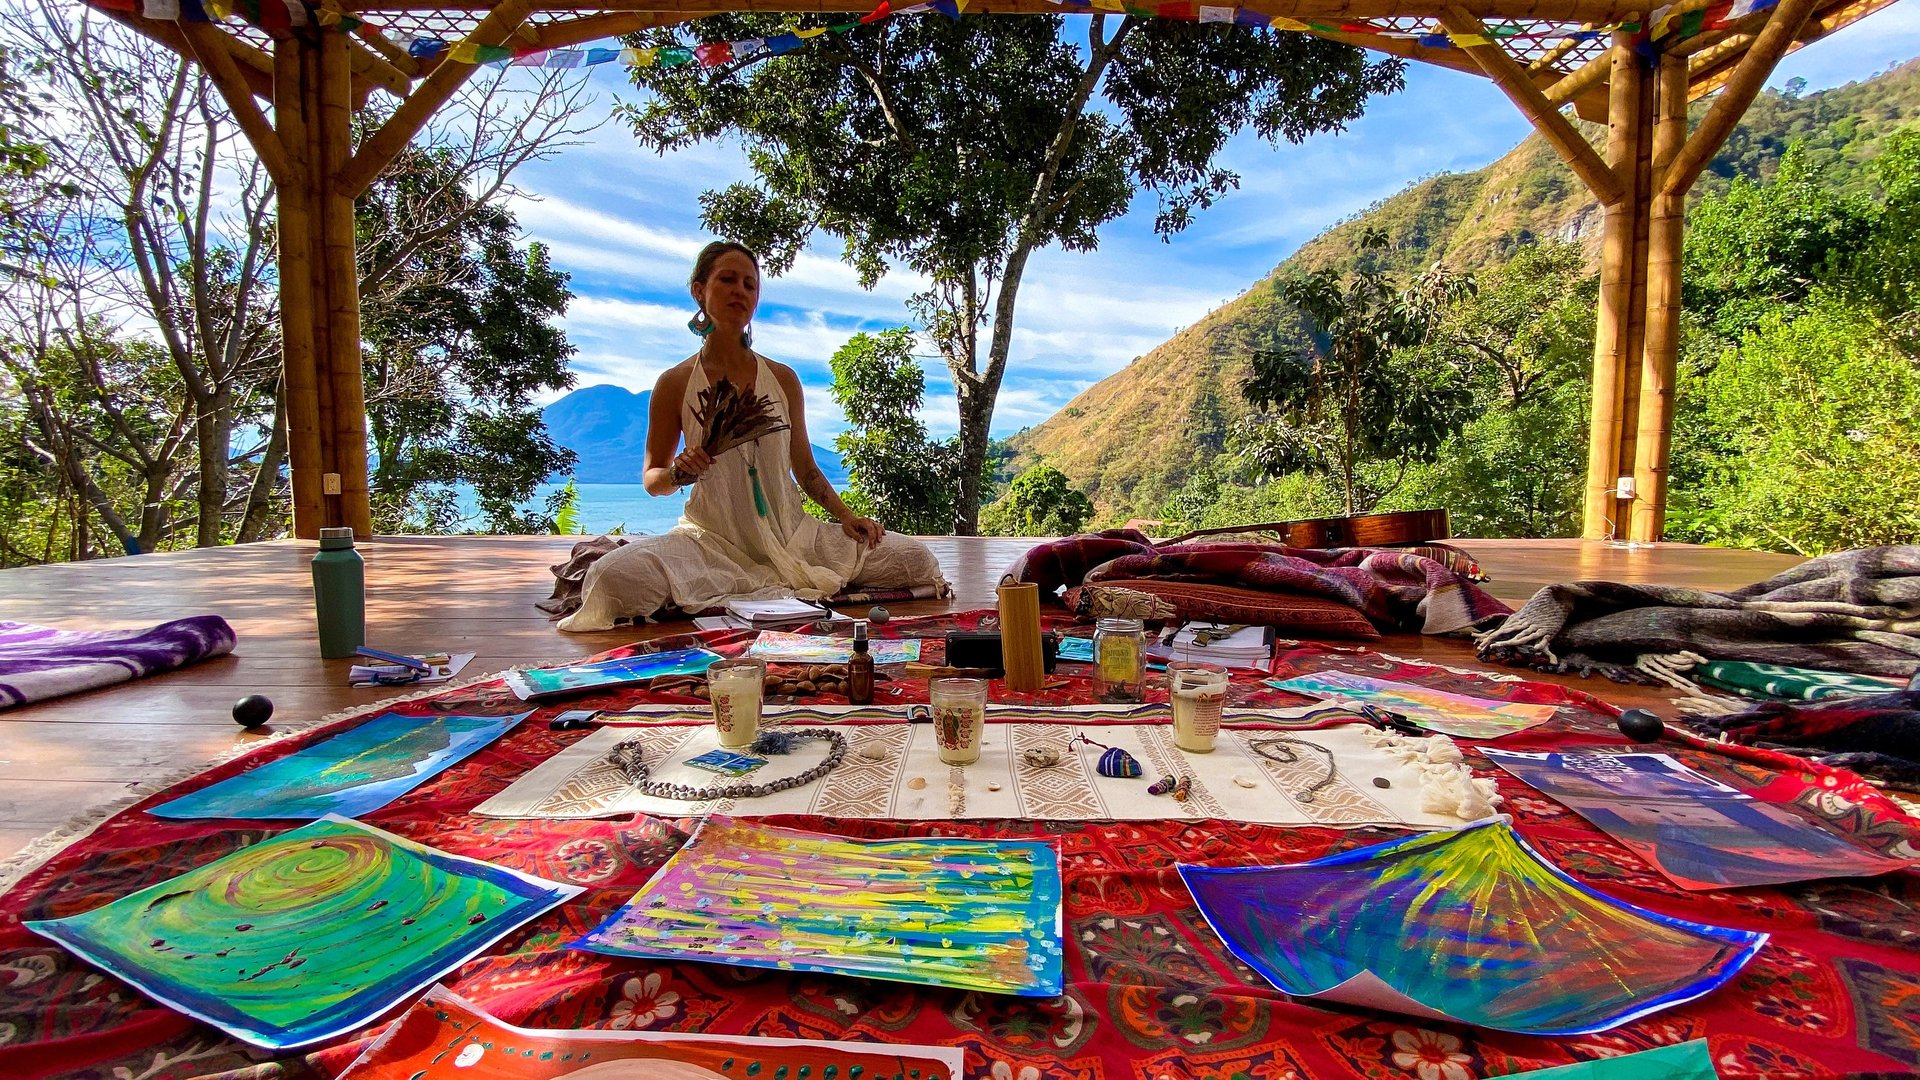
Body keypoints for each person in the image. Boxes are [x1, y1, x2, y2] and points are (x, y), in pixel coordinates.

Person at [559, 241, 947, 631]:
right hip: (711, 544)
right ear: (699, 290)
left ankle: (770, 583)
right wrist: (679, 473)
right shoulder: (675, 383)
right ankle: (752, 586)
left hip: (795, 536)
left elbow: (806, 469)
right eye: (727, 280)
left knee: (915, 559)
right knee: (611, 579)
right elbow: (652, 479)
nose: (739, 291)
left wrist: (847, 517)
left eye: (750, 284)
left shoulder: (782, 379)